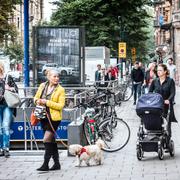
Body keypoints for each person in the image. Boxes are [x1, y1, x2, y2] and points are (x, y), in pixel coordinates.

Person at [34, 69, 65, 171]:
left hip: (54, 119)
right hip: (43, 116)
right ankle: (57, 163)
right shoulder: (42, 86)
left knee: (46, 139)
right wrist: (37, 101)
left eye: (57, 76)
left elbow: (60, 106)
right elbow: (35, 98)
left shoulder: (60, 89)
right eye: (54, 76)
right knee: (51, 140)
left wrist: (47, 102)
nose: (56, 78)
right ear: (49, 77)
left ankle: (45, 164)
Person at [149, 64, 177, 139]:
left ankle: (168, 141)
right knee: (157, 123)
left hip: (166, 106)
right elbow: (150, 92)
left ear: (165, 71)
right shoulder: (155, 81)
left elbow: (173, 93)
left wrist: (168, 100)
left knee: (167, 124)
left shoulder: (170, 81)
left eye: (160, 70)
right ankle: (158, 139)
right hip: (156, 106)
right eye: (158, 70)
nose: (158, 72)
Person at [0, 63, 18, 157]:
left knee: (5, 126)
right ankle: (0, 148)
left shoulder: (7, 77)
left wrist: (9, 88)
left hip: (7, 104)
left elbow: (16, 89)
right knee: (0, 128)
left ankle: (6, 148)